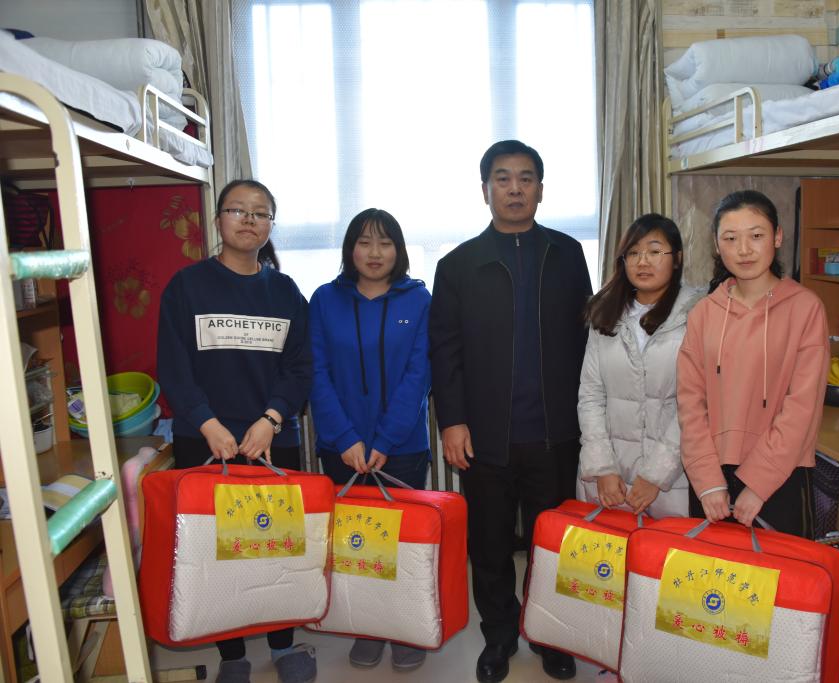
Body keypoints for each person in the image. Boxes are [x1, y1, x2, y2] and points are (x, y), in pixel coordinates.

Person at [429, 140, 592, 683]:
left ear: (541, 189)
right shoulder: (457, 265)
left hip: (555, 433)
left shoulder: (566, 254)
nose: (515, 189)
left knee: (552, 545)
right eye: (503, 178)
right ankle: (498, 636)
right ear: (485, 190)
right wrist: (452, 421)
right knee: (490, 546)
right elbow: (445, 350)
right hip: (485, 436)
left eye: (526, 178)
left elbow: (589, 339)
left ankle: (549, 635)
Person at [157, 179, 316, 683]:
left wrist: (271, 420)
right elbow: (174, 366)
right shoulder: (186, 286)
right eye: (238, 210)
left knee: (278, 546)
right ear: (219, 220)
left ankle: (284, 644)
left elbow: (300, 368)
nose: (249, 220)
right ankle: (232, 654)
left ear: (270, 226)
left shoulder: (284, 291)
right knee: (218, 551)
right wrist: (207, 423)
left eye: (260, 213)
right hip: (204, 440)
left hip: (273, 440)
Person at [308, 208, 431, 672]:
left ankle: (402, 627)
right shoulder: (324, 299)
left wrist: (386, 439)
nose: (375, 252)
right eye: (364, 242)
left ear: (398, 250)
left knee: (401, 543)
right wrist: (344, 437)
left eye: (385, 242)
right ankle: (367, 627)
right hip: (341, 448)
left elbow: (419, 374)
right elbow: (316, 373)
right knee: (355, 543)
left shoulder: (419, 300)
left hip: (403, 447)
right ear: (350, 249)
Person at [676, 190, 828, 537]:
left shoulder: (805, 309)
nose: (744, 250)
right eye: (731, 239)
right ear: (717, 245)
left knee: (778, 571)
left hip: (782, 474)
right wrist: (707, 480)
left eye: (756, 235)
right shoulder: (703, 313)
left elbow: (802, 407)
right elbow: (689, 403)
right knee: (712, 570)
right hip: (712, 478)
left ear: (777, 237)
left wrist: (759, 484)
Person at [577, 214, 702, 519]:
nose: (643, 261)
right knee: (607, 548)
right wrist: (602, 467)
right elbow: (591, 395)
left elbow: (698, 405)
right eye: (633, 253)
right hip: (610, 481)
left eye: (655, 251)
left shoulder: (699, 314)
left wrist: (655, 475)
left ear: (677, 258)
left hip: (673, 481)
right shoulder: (605, 312)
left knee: (666, 550)